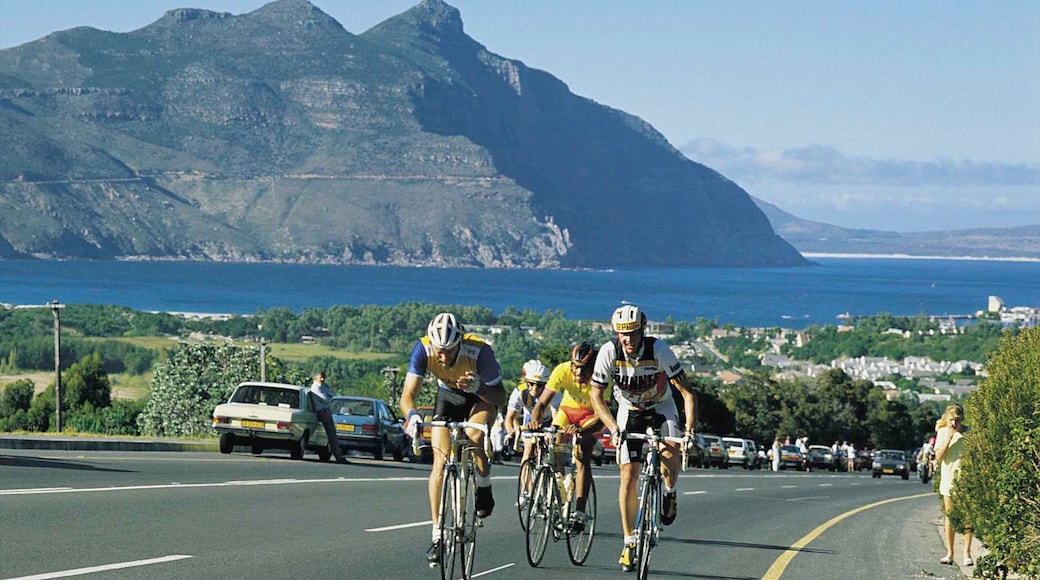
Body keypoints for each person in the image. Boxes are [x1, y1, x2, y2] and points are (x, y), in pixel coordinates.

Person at [589, 305, 698, 572]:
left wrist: (689, 431)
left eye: (633, 333)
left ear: (642, 330)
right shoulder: (609, 352)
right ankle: (629, 542)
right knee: (628, 476)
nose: (627, 339)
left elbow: (687, 393)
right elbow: (595, 396)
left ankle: (669, 493)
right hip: (629, 411)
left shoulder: (659, 350)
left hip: (661, 408)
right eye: (622, 334)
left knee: (670, 457)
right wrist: (613, 427)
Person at [399, 312, 506, 566]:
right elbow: (407, 396)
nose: (443, 357)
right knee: (440, 461)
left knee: (473, 435)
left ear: (460, 343)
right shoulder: (423, 349)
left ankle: (483, 485)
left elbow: (501, 397)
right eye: (439, 351)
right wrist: (413, 416)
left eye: (449, 351)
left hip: (481, 398)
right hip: (448, 397)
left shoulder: (480, 352)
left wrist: (479, 388)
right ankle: (437, 535)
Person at [527, 342, 606, 532]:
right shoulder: (562, 370)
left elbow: (601, 416)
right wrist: (535, 421)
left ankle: (579, 512)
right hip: (568, 412)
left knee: (581, 452)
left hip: (592, 417)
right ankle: (559, 486)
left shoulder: (602, 376)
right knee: (553, 440)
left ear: (592, 368)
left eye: (583, 370)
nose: (578, 374)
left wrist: (580, 428)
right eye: (575, 368)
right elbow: (541, 404)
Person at [934, 403, 974, 567]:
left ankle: (967, 553)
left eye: (957, 420)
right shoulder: (942, 433)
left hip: (966, 480)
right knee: (950, 517)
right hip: (949, 479)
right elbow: (938, 457)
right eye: (951, 420)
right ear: (946, 419)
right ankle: (950, 553)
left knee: (967, 518)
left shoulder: (970, 433)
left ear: (962, 419)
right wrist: (949, 437)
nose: (954, 423)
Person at [505, 359, 559, 466]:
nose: (535, 389)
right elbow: (510, 418)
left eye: (539, 385)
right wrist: (512, 432)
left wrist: (552, 433)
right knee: (528, 449)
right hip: (530, 420)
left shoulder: (554, 393)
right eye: (531, 384)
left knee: (556, 455)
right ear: (526, 382)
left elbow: (556, 418)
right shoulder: (519, 392)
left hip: (550, 420)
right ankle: (525, 480)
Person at [309, 372, 348, 464]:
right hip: (321, 411)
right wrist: (328, 398)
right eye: (320, 378)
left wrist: (329, 398)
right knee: (331, 434)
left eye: (323, 377)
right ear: (316, 378)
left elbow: (330, 396)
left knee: (333, 435)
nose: (322, 379)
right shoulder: (315, 387)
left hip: (326, 410)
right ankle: (338, 456)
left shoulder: (324, 386)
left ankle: (338, 455)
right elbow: (326, 399)